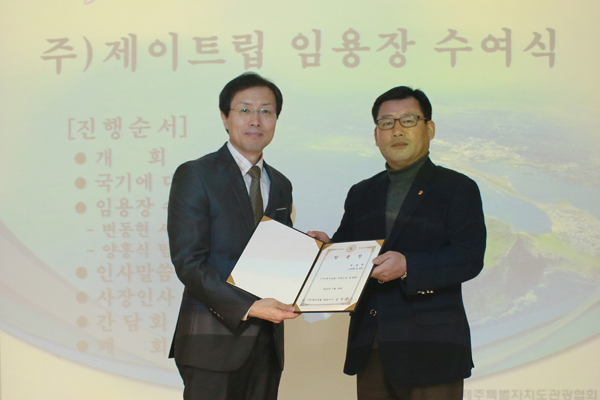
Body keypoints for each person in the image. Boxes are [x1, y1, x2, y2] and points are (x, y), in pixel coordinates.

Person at [309, 86, 486, 400]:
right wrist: (326, 249)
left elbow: (469, 256)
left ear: (429, 129)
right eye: (387, 123)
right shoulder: (362, 192)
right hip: (372, 344)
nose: (397, 130)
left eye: (408, 120)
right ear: (376, 135)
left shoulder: (457, 187)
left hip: (432, 348)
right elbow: (352, 253)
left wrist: (408, 266)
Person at [167, 72, 299, 400]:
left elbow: (273, 254)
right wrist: (249, 306)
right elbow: (189, 262)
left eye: (266, 111)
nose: (256, 120)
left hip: (267, 344)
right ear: (225, 118)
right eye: (244, 110)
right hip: (211, 341)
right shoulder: (196, 174)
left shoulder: (281, 184)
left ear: (276, 119)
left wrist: (310, 250)